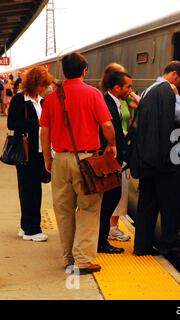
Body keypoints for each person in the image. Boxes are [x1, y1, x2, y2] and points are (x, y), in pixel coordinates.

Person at [40, 52, 117, 274]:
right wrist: (111, 145)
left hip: (60, 159)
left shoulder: (53, 97)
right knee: (88, 208)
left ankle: (68, 258)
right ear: (85, 70)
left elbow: (44, 132)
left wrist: (48, 158)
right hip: (86, 160)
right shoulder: (92, 94)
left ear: (64, 72)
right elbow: (107, 125)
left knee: (63, 210)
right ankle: (82, 260)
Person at [132, 61, 180, 256]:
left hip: (147, 160)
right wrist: (177, 95)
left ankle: (142, 245)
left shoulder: (149, 90)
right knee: (170, 205)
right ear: (175, 74)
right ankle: (169, 244)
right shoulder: (167, 91)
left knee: (146, 206)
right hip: (164, 162)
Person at [7, 66, 53, 242]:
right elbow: (12, 123)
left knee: (33, 189)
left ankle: (25, 226)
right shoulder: (20, 99)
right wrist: (38, 125)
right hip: (26, 152)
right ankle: (32, 230)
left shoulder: (41, 101)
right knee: (29, 190)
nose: (44, 88)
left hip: (39, 151)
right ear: (34, 84)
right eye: (42, 85)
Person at [99, 63, 139, 242]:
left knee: (112, 198)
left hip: (119, 158)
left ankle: (102, 239)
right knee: (108, 200)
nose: (131, 90)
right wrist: (113, 147)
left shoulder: (117, 102)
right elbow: (107, 128)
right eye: (128, 87)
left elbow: (140, 105)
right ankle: (101, 241)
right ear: (117, 87)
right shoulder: (107, 103)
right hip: (111, 158)